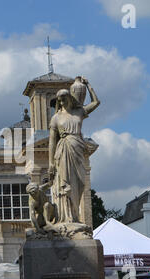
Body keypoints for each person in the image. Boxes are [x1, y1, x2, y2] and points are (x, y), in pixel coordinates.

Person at [48, 77, 100, 223]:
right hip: (64, 150)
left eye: (64, 98)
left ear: (70, 98)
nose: (62, 102)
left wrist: (89, 85)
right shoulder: (56, 118)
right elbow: (52, 142)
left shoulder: (79, 112)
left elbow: (96, 103)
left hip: (78, 149)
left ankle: (75, 216)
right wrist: (51, 163)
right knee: (66, 185)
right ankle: (66, 217)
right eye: (60, 100)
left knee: (80, 184)